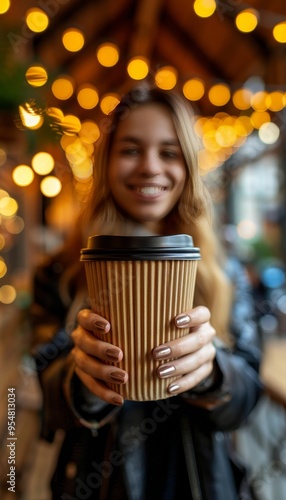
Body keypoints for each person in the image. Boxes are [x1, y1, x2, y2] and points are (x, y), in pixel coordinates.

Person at [30, 84, 262, 500]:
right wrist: (80, 380)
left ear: (188, 166)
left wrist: (212, 373)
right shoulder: (62, 272)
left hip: (199, 482)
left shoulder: (222, 272)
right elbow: (42, 396)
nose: (150, 167)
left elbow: (248, 396)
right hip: (95, 483)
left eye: (169, 152)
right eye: (131, 149)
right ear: (106, 162)